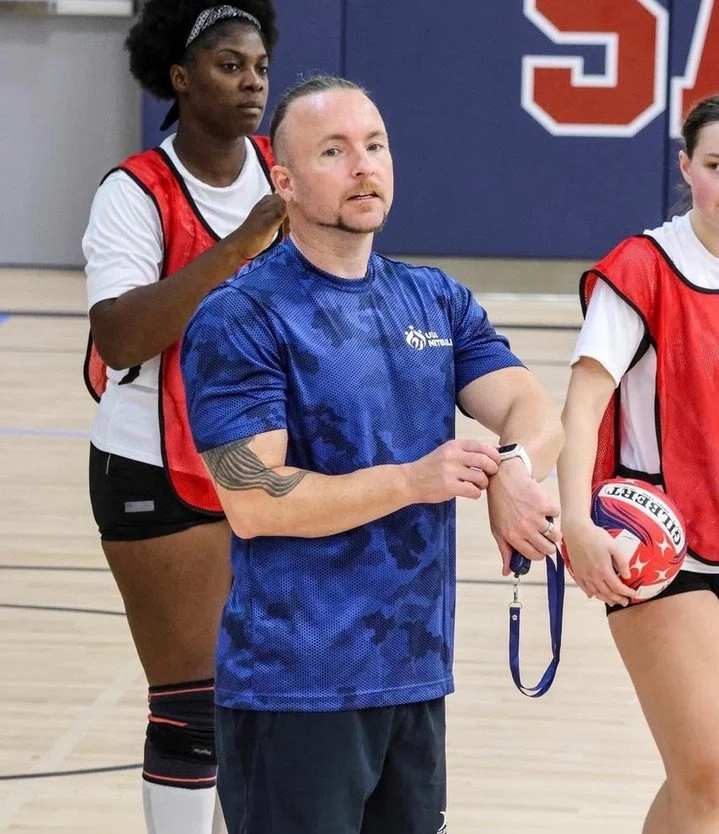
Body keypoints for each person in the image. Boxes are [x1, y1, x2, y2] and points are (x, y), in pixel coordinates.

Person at [180, 75, 564, 834]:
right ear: (284, 181)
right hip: (296, 686)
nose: (363, 166)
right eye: (334, 150)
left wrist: (513, 470)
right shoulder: (242, 317)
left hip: (414, 677)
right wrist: (412, 479)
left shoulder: (434, 300)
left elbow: (529, 406)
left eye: (374, 145)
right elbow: (251, 498)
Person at [81, 3, 286, 832]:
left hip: (259, 456)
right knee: (192, 705)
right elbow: (122, 333)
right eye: (230, 65)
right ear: (180, 76)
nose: (251, 84)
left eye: (260, 68)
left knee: (263, 696)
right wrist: (235, 247)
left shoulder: (285, 166)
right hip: (151, 460)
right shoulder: (134, 191)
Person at [558, 95, 719, 834]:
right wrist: (575, 530)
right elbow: (581, 408)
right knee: (708, 770)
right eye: (715, 165)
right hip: (659, 544)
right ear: (686, 169)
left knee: (702, 776)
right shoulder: (643, 266)